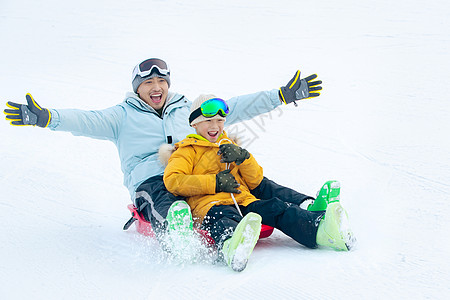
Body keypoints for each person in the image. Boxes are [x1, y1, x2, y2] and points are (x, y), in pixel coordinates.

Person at [3, 58, 323, 243]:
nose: (156, 87)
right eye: (148, 83)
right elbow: (85, 120)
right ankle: (176, 230)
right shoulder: (121, 116)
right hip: (152, 180)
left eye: (161, 81)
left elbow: (236, 106)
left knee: (245, 176)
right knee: (161, 195)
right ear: (137, 88)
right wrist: (46, 117)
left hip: (195, 177)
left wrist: (281, 95)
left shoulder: (189, 109)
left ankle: (305, 205)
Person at [163, 95, 355, 272]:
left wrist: (243, 157)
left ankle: (320, 231)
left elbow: (255, 180)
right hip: (210, 206)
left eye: (220, 120)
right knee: (224, 220)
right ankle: (232, 247)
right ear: (195, 124)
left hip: (244, 201)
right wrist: (215, 182)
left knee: (277, 208)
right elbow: (173, 181)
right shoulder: (186, 151)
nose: (215, 126)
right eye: (208, 121)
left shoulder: (228, 144)